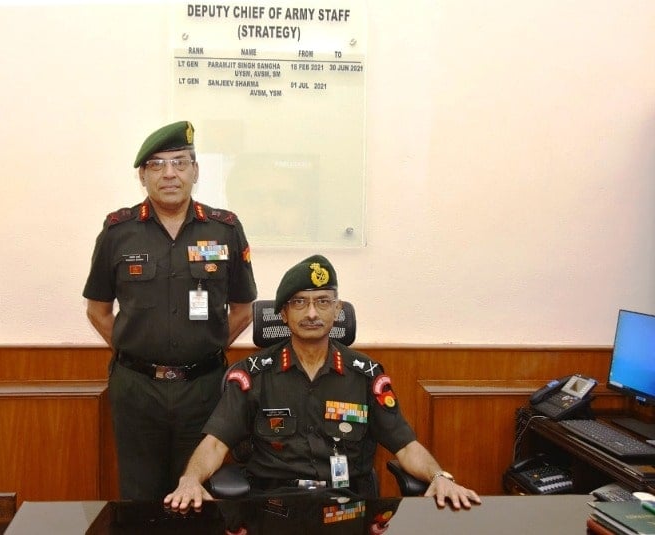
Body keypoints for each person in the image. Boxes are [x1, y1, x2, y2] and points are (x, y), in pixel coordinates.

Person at [164, 254, 481, 511]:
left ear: (337, 310)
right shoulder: (253, 374)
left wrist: (439, 476)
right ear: (283, 314)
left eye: (323, 301)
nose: (312, 313)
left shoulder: (366, 374)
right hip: (273, 506)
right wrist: (191, 479)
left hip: (348, 507)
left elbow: (406, 445)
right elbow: (216, 442)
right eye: (300, 302)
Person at [83, 120, 257, 500]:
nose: (170, 174)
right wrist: (140, 352)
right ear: (142, 176)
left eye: (180, 162)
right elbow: (97, 310)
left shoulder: (225, 229)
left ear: (195, 171)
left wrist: (201, 349)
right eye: (157, 165)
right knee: (139, 495)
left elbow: (243, 310)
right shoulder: (117, 232)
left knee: (198, 495)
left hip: (204, 389)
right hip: (137, 389)